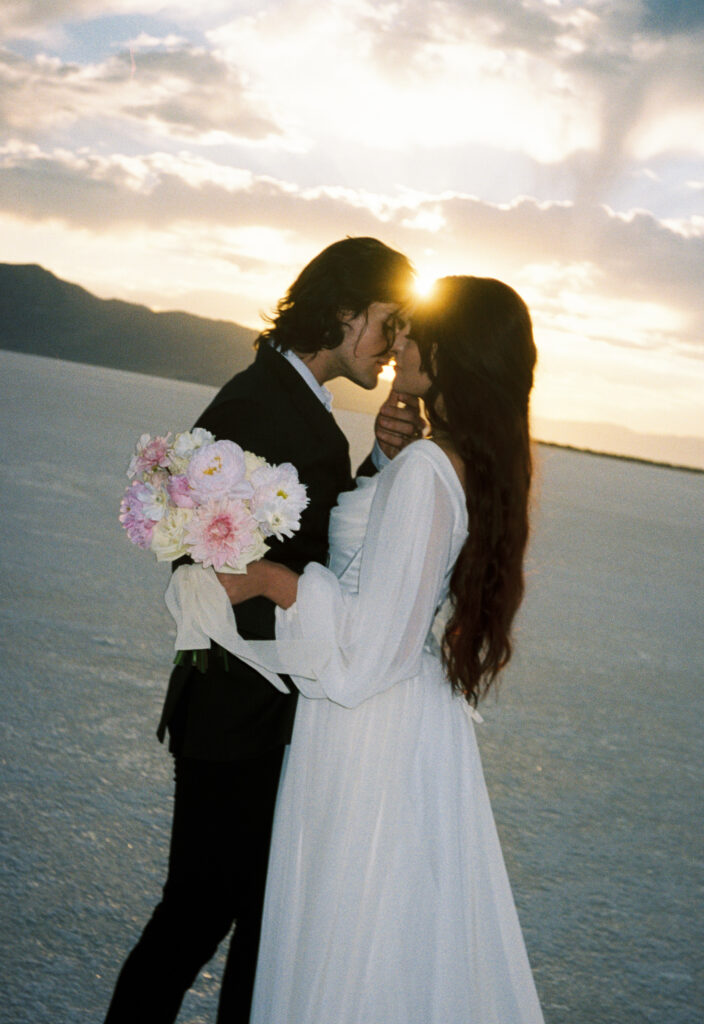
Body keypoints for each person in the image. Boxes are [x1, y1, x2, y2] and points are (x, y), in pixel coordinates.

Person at [104, 237, 424, 1024]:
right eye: (389, 323)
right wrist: (294, 606)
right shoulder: (260, 403)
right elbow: (198, 553)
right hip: (235, 715)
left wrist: (378, 465)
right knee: (198, 918)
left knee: (255, 922)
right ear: (345, 311)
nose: (393, 346)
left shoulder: (295, 402)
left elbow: (304, 540)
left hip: (255, 714)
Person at [211, 276, 545, 1022]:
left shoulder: (432, 469)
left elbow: (369, 647)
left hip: (366, 730)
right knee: (384, 936)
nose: (399, 348)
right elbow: (394, 589)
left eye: (415, 333)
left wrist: (271, 578)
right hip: (399, 722)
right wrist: (386, 460)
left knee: (349, 932)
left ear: (450, 352)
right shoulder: (441, 460)